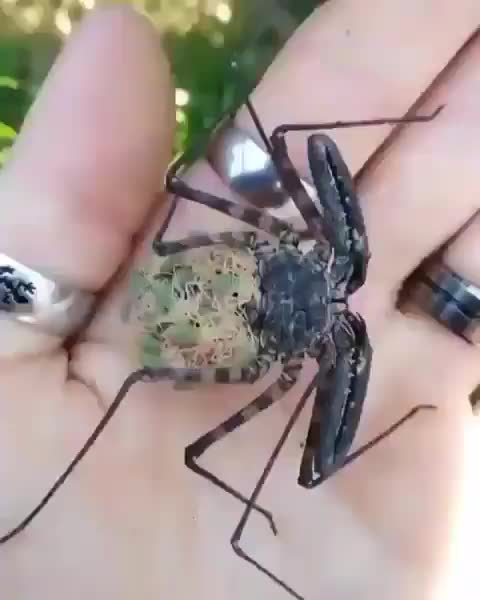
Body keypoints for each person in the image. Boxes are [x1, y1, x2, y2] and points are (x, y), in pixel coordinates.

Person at [0, 5, 479, 599]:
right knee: (169, 405)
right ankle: (27, 519)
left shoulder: (295, 249)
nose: (340, 295)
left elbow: (261, 150)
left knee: (261, 148)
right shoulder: (286, 352)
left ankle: (26, 520)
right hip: (217, 311)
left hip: (231, 297)